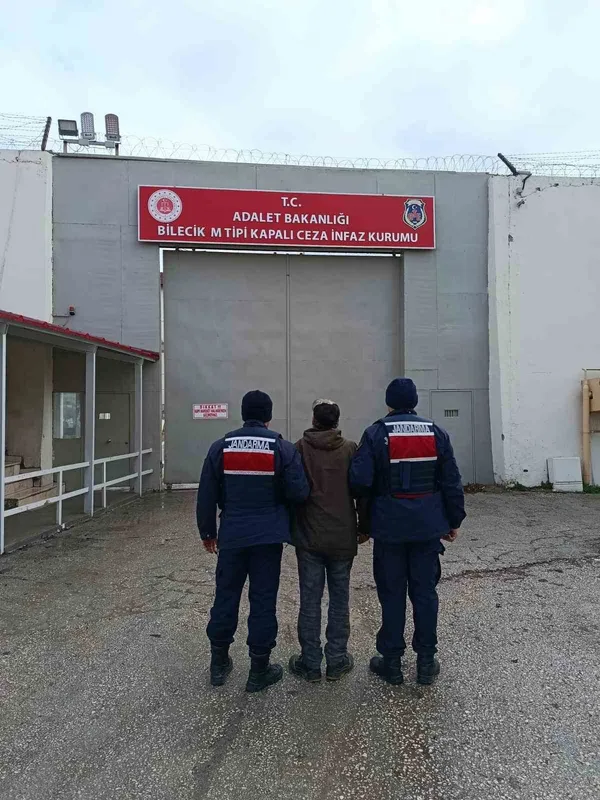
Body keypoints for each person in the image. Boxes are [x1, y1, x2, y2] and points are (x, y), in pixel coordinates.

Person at [350, 378, 465, 686]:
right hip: (426, 529)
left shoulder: (376, 433)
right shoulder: (436, 432)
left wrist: (365, 519)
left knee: (392, 594)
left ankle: (391, 663)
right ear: (414, 402)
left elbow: (359, 481)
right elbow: (451, 481)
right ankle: (426, 662)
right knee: (425, 593)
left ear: (388, 402)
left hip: (389, 528)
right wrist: (453, 520)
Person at [197, 390, 310, 692]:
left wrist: (208, 533)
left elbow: (206, 493)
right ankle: (259, 670)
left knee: (226, 596)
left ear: (243, 414)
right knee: (263, 600)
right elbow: (299, 492)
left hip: (232, 535)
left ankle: (219, 664)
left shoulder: (221, 447)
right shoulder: (282, 448)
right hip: (267, 539)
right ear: (268, 416)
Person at [289, 399, 369, 683]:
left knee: (310, 600)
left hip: (309, 537)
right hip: (342, 536)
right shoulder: (350, 449)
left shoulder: (298, 449)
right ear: (336, 422)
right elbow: (362, 489)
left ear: (314, 420)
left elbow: (292, 491)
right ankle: (336, 660)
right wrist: (364, 527)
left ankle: (310, 663)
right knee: (339, 599)